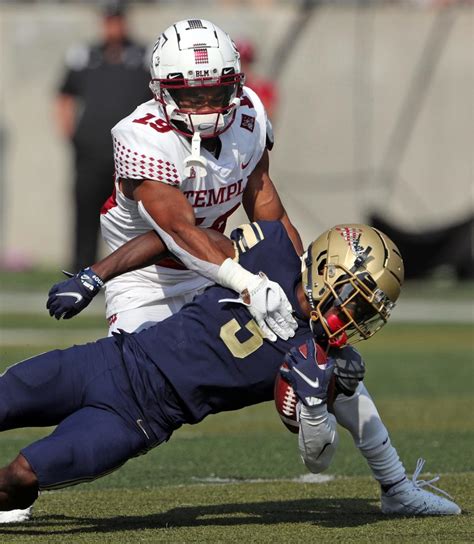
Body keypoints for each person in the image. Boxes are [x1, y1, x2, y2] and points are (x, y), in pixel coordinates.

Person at [1, 222, 460, 522]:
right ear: (326, 268)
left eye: (367, 308)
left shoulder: (321, 356)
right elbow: (173, 237)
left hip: (139, 419)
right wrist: (93, 277)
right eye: (355, 297)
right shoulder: (270, 250)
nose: (357, 314)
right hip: (110, 359)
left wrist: (316, 404)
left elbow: (318, 457)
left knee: (20, 478)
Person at [51, 18, 302, 340]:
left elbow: (273, 218)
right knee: (142, 380)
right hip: (144, 281)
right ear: (161, 92)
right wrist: (247, 283)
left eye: (217, 93)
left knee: (298, 356)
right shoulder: (141, 135)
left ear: (236, 85)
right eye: (193, 98)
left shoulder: (248, 115)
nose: (208, 109)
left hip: (214, 268)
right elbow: (176, 233)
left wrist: (299, 276)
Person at [55, 0, 151, 271]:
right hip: (90, 154)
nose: (113, 26)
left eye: (118, 19)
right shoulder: (84, 56)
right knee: (85, 215)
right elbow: (64, 96)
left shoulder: (142, 57)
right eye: (109, 20)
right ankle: (79, 271)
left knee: (132, 218)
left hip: (130, 157)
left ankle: (128, 274)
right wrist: (72, 135)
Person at [235, 39, 278, 121]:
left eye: (246, 63)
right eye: (240, 63)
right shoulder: (229, 88)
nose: (242, 67)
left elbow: (269, 116)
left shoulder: (263, 88)